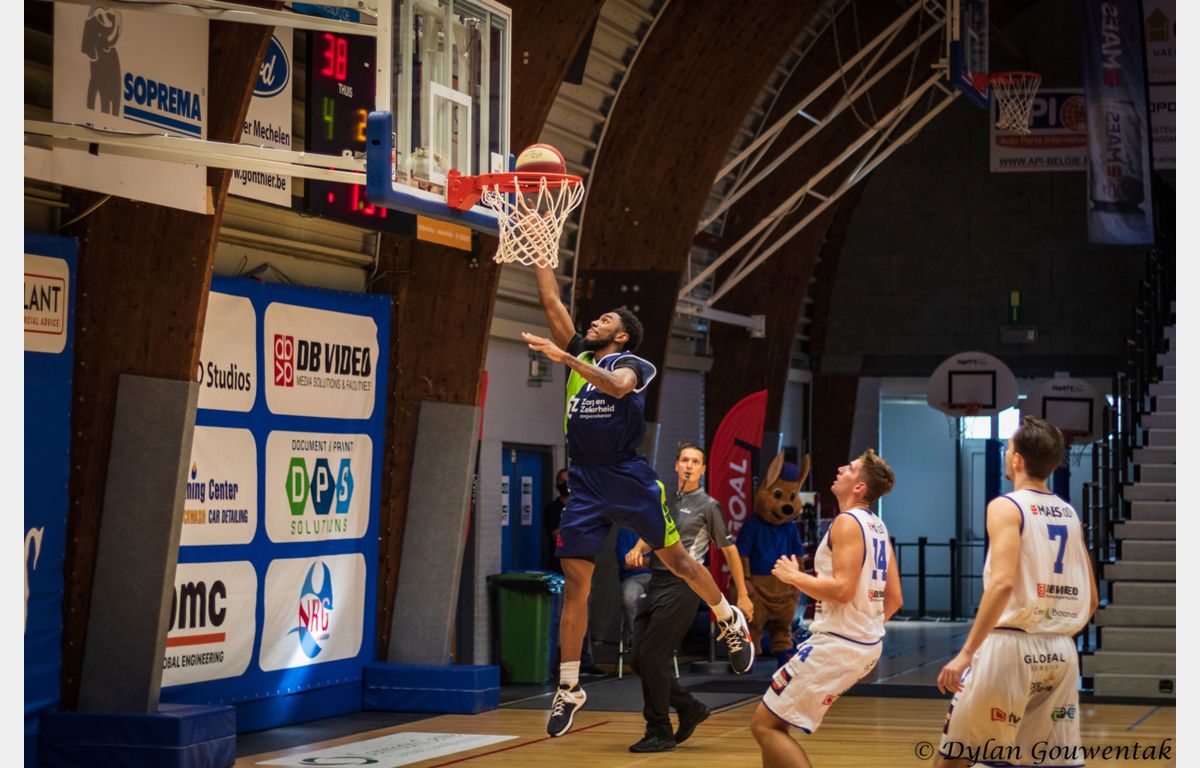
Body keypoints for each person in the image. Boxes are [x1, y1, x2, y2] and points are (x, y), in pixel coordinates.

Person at [524, 264, 755, 738]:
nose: (594, 321)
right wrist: (540, 249)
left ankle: (728, 619)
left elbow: (617, 387)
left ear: (622, 336)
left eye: (605, 320)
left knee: (679, 562)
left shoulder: (632, 364)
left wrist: (564, 358)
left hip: (627, 476)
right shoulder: (579, 352)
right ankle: (569, 686)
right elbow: (551, 301)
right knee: (576, 584)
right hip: (585, 480)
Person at [933, 417, 1098, 768]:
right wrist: (1051, 627)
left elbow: (1003, 583)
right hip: (1061, 650)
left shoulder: (1006, 506)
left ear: (1018, 460)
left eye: (1009, 449)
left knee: (955, 758)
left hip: (1010, 646)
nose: (1007, 455)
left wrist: (966, 653)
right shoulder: (1070, 514)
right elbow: (1093, 598)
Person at [751, 449, 903, 767]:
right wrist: (864, 630)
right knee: (774, 724)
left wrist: (793, 577)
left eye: (851, 468)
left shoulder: (847, 522)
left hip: (839, 644)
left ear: (859, 487)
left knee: (765, 726)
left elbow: (843, 591)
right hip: (864, 645)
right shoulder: (877, 526)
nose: (841, 468)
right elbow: (895, 599)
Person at [624, 442, 754, 753]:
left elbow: (730, 551)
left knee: (653, 658)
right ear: (676, 465)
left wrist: (743, 595)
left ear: (703, 470)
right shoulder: (665, 500)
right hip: (656, 581)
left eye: (695, 462)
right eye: (684, 460)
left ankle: (659, 730)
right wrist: (637, 549)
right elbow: (653, 534)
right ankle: (689, 707)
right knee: (638, 660)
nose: (689, 465)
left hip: (685, 587)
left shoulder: (709, 506)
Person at [615, 527, 652, 652]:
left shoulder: (656, 529)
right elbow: (626, 563)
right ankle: (637, 638)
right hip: (633, 577)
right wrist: (653, 561)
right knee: (629, 597)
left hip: (658, 575)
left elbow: (666, 561)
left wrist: (640, 560)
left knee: (668, 595)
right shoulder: (625, 533)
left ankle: (658, 639)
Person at [543, 468, 569, 573]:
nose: (566, 484)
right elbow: (557, 534)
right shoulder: (552, 508)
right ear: (557, 485)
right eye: (563, 481)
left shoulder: (582, 507)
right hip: (558, 562)